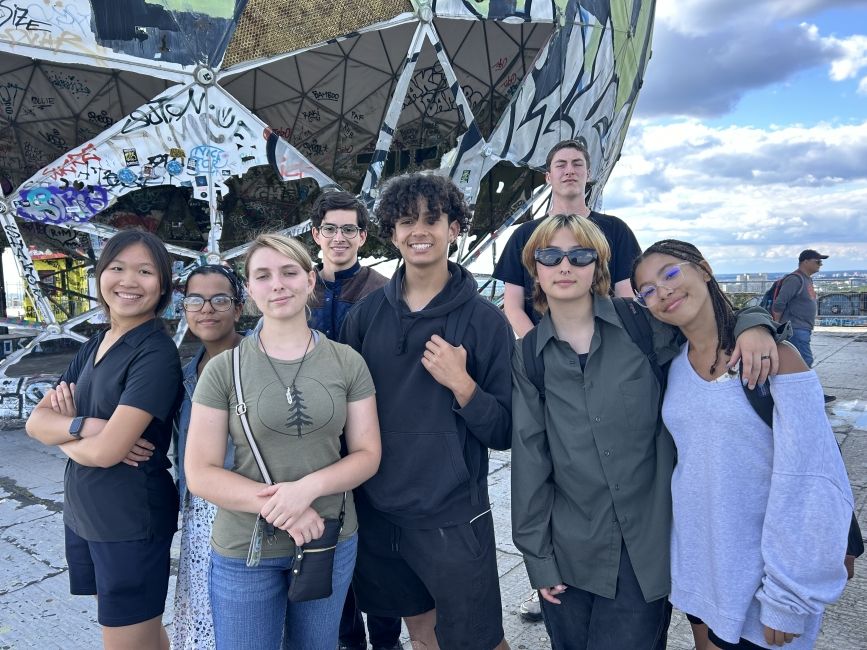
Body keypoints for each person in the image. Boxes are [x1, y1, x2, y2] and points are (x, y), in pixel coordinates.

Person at [510, 215, 780, 650]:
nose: (565, 266)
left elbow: (706, 323)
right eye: (550, 255)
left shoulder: (640, 325)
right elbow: (529, 460)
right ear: (534, 268)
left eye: (580, 255)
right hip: (569, 551)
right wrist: (538, 560)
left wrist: (754, 321)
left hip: (644, 551)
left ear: (597, 266)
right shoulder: (529, 356)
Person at [632, 239, 853, 650]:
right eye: (646, 290)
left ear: (704, 269)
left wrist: (789, 599)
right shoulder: (673, 367)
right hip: (702, 573)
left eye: (671, 274)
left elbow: (812, 480)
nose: (661, 291)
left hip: (764, 587)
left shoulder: (776, 359)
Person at [341, 173, 513, 650]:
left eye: (433, 219)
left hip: (452, 515)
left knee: (479, 640)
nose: (420, 230)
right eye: (406, 220)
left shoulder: (486, 322)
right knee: (420, 631)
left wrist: (463, 385)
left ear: (455, 228)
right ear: (392, 233)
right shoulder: (366, 316)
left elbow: (505, 430)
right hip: (378, 510)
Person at [184, 234, 381, 650]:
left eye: (290, 272)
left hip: (327, 536)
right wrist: (287, 511)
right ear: (250, 290)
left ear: (311, 280)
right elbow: (200, 472)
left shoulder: (347, 361)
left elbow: (367, 454)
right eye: (263, 275)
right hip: (246, 546)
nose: (278, 284)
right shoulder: (224, 369)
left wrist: (306, 491)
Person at [26, 229, 182, 650]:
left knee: (128, 635)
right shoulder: (96, 343)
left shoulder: (154, 353)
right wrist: (87, 427)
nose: (128, 281)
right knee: (141, 632)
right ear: (100, 275)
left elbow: (107, 452)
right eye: (117, 268)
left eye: (145, 271)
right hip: (84, 512)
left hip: (129, 520)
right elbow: (35, 422)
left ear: (164, 285)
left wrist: (74, 430)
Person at [307, 191, 399, 650]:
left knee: (378, 549)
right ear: (315, 234)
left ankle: (386, 639)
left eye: (349, 229)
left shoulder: (382, 291)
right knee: (328, 545)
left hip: (369, 437)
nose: (339, 237)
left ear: (363, 236)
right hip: (315, 442)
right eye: (330, 228)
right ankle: (346, 640)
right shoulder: (299, 288)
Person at [493, 138, 641, 339]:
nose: (569, 171)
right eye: (561, 165)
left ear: (588, 174)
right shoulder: (524, 235)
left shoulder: (616, 229)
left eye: (577, 164)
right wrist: (539, 348)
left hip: (605, 343)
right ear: (548, 177)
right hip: (542, 346)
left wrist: (616, 344)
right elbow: (512, 305)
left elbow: (626, 294)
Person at [171, 264, 245, 649]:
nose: (207, 309)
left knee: (245, 620)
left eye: (220, 299)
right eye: (195, 301)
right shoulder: (185, 373)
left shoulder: (260, 361)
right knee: (201, 616)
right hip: (198, 511)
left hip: (247, 510)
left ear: (238, 308)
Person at [771, 249, 835, 402]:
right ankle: (809, 394)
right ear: (805, 261)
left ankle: (808, 392)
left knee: (801, 361)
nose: (820, 264)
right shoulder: (795, 279)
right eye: (817, 261)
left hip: (803, 329)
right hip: (795, 329)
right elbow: (779, 304)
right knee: (804, 361)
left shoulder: (807, 279)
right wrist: (777, 327)